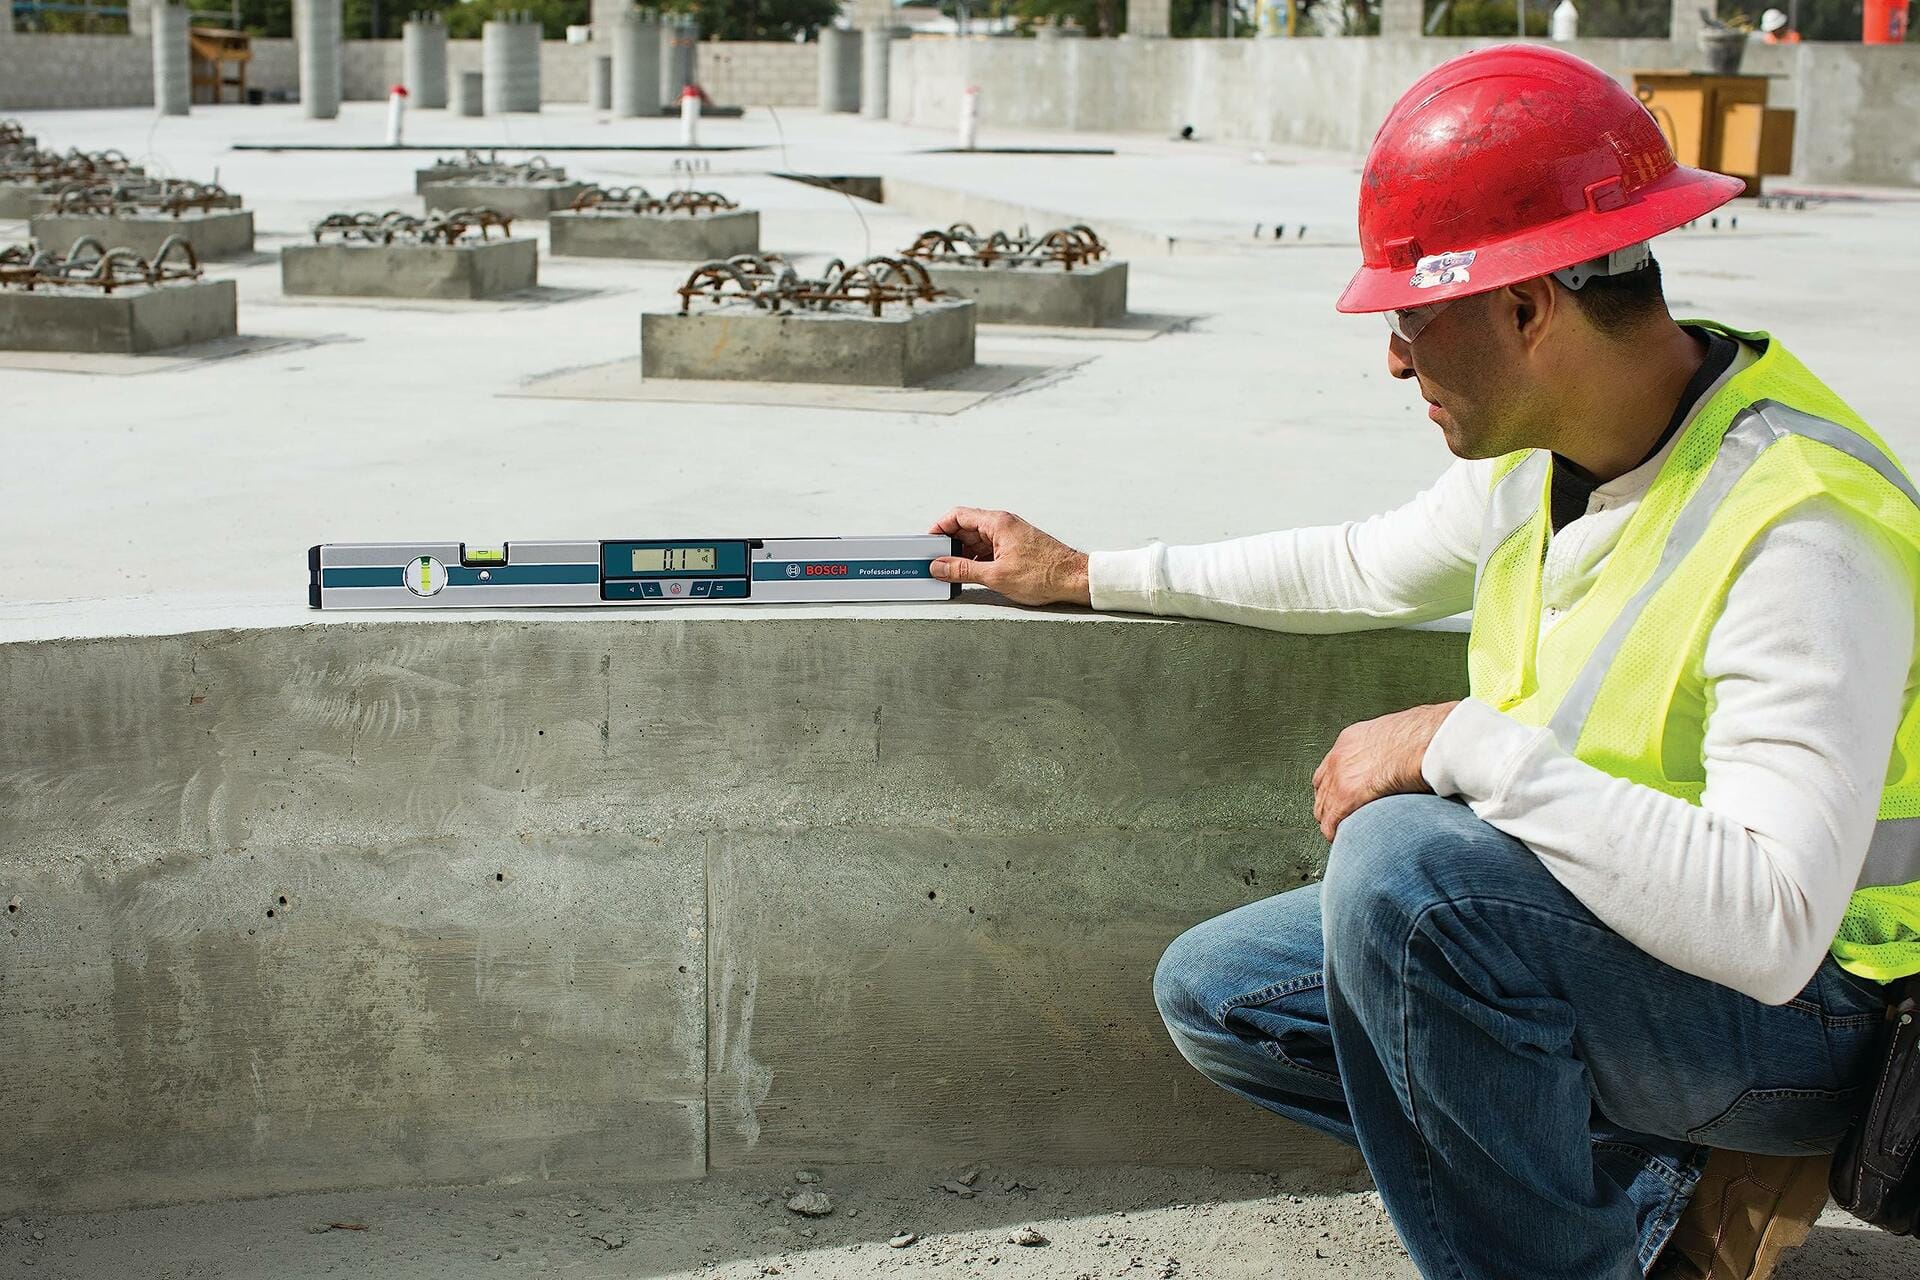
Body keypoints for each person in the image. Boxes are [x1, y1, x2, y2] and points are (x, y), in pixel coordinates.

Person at [926, 44, 1920, 1280]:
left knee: (1408, 874)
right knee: (1221, 992)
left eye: (1412, 316)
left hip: (1820, 1013)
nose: (1397, 359)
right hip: (1627, 934)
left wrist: (1465, 745)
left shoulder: (1800, 528)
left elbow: (1771, 922)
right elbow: (1358, 565)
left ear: (1527, 308)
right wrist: (1080, 571)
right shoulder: (1549, 451)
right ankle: (1642, 1208)